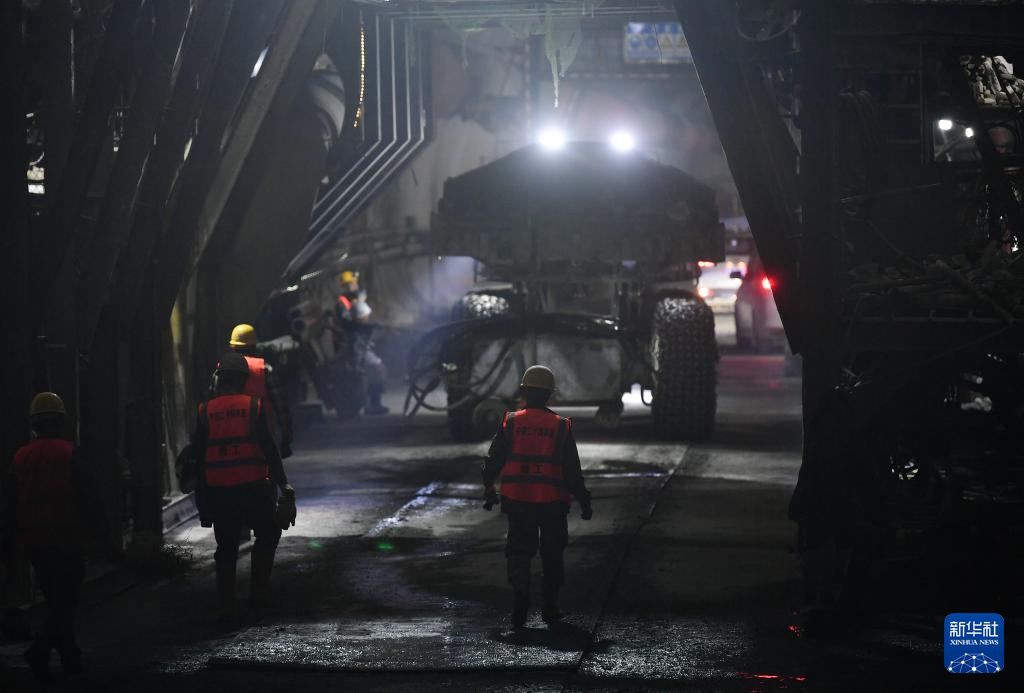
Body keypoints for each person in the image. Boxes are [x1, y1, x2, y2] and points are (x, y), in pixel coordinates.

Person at [1, 392, 104, 679]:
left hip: (34, 542)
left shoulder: (20, 457)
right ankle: (40, 649)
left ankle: (71, 658)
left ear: (34, 424)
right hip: (67, 537)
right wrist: (101, 535)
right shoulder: (69, 453)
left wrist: (6, 545)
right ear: (60, 421)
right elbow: (89, 498)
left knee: (55, 599)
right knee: (66, 601)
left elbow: (10, 503)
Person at [481, 366, 592, 628]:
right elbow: (572, 470)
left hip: (518, 501)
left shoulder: (511, 422)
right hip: (553, 502)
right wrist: (584, 500)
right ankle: (550, 608)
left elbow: (493, 461)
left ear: (523, 391)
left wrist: (489, 488)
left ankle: (520, 606)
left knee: (519, 553)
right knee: (552, 555)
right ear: (550, 394)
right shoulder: (560, 426)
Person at [192, 353, 296, 619]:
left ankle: (225, 604)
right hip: (254, 487)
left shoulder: (205, 411)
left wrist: (203, 501)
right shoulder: (253, 406)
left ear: (219, 380)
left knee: (226, 547)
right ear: (243, 380)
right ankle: (258, 596)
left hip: (220, 490)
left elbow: (198, 459)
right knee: (267, 535)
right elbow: (269, 448)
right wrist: (283, 483)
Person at [226, 323, 294, 458]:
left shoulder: (221, 371)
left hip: (230, 436)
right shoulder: (264, 369)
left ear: (232, 348)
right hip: (262, 436)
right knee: (268, 469)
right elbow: (280, 406)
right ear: (254, 347)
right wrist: (286, 437)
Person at [334, 271, 389, 416]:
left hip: (359, 343)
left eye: (354, 283)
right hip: (351, 345)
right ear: (345, 286)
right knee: (375, 369)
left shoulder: (354, 300)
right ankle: (370, 405)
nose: (353, 286)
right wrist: (368, 327)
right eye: (350, 284)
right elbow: (349, 325)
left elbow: (361, 319)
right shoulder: (342, 303)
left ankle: (373, 404)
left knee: (375, 370)